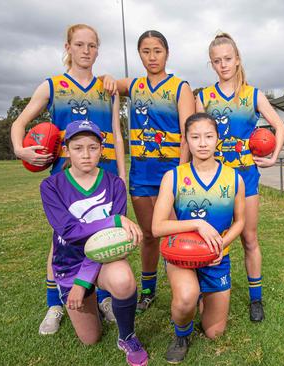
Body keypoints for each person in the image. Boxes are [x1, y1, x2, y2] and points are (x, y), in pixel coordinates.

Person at [10, 24, 125, 334]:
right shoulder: (52, 86)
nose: (86, 50)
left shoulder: (107, 87)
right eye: (79, 44)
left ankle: (103, 298)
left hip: (105, 174)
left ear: (98, 49)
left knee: (104, 240)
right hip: (66, 175)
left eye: (91, 45)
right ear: (68, 47)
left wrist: (122, 176)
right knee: (60, 241)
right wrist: (22, 151)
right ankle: (54, 304)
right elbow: (20, 122)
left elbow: (116, 133)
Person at [40, 120, 147, 366]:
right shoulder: (51, 186)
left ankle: (127, 336)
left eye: (92, 147)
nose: (86, 155)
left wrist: (82, 283)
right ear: (66, 150)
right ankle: (95, 302)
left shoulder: (115, 184)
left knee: (123, 279)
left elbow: (109, 241)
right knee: (90, 338)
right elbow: (69, 231)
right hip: (69, 264)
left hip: (103, 260)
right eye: (78, 148)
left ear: (102, 149)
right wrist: (114, 220)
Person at [196, 33, 284, 322]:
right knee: (208, 238)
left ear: (237, 59)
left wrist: (273, 156)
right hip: (212, 180)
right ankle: (203, 293)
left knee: (249, 237)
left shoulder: (253, 94)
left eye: (228, 59)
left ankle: (255, 298)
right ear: (211, 64)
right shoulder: (204, 97)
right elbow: (193, 135)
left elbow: (279, 127)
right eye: (217, 60)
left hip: (246, 177)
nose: (223, 65)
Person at [102, 30, 195, 313]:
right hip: (140, 174)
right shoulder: (134, 85)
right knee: (149, 234)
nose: (152, 57)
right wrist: (107, 78)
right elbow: (107, 84)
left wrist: (178, 175)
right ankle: (148, 289)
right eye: (145, 51)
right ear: (139, 54)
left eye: (158, 50)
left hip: (170, 174)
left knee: (173, 234)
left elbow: (186, 135)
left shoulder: (180, 87)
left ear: (167, 53)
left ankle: (188, 290)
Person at [152, 113, 245, 363]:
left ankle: (204, 294)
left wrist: (221, 246)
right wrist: (197, 223)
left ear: (217, 139)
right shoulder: (173, 177)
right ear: (186, 141)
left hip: (217, 258)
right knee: (185, 299)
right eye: (195, 137)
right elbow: (157, 227)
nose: (202, 143)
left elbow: (240, 222)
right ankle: (182, 334)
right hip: (181, 257)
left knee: (215, 332)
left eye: (208, 136)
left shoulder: (234, 178)